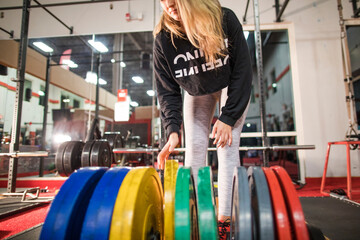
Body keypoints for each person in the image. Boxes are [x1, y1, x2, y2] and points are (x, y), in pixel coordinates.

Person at [153, 0, 252, 238]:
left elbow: (243, 71)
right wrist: (173, 130)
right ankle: (196, 217)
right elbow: (167, 91)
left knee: (226, 146)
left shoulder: (224, 19)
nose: (168, 4)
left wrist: (228, 117)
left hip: (230, 84)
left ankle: (224, 221)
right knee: (194, 148)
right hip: (198, 92)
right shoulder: (165, 39)